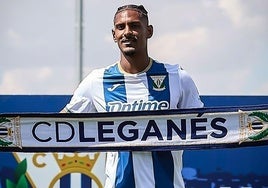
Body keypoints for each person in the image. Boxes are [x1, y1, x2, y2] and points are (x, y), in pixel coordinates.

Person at [62, 4, 203, 188]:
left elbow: (203, 129)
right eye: (121, 27)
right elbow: (61, 127)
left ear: (149, 31)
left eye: (135, 26)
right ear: (114, 35)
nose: (127, 32)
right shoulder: (96, 81)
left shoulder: (177, 77)